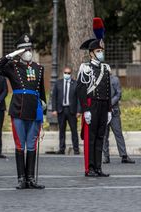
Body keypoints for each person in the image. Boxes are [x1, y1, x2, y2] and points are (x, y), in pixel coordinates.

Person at [0, 34, 46, 190]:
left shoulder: (38, 68)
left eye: (30, 49)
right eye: (25, 49)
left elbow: (40, 90)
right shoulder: (12, 66)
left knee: (31, 145)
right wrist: (10, 56)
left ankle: (30, 179)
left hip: (34, 109)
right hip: (18, 109)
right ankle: (21, 178)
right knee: (20, 145)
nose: (29, 52)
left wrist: (44, 106)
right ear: (19, 51)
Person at [77, 18, 111, 177]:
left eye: (102, 50)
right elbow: (80, 90)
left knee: (100, 137)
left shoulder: (106, 68)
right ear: (91, 53)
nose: (101, 53)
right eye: (98, 51)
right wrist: (85, 109)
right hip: (92, 105)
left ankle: (98, 167)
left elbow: (108, 89)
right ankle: (89, 168)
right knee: (90, 139)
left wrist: (109, 109)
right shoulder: (85, 68)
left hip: (104, 105)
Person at [102, 74, 135, 164]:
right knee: (104, 135)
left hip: (114, 112)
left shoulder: (115, 79)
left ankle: (124, 156)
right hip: (103, 112)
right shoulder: (98, 80)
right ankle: (106, 156)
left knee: (118, 134)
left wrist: (110, 103)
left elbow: (118, 94)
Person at [52, 66, 81, 155]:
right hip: (61, 110)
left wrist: (79, 111)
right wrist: (54, 109)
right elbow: (54, 97)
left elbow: (79, 98)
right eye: (65, 73)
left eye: (68, 73)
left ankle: (76, 149)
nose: (67, 74)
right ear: (63, 73)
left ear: (71, 74)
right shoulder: (58, 83)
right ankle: (61, 148)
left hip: (72, 110)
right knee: (61, 130)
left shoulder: (75, 84)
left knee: (74, 131)